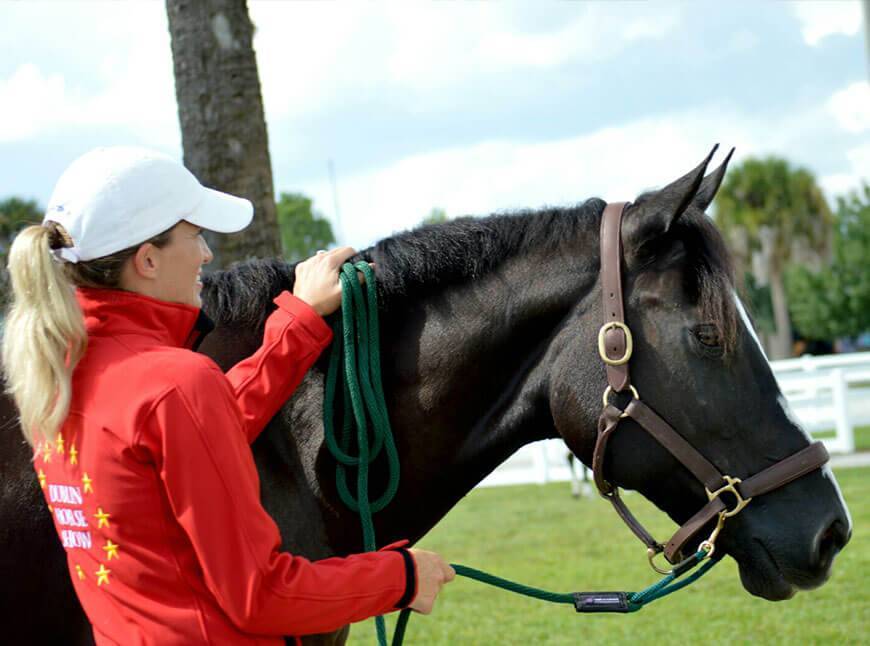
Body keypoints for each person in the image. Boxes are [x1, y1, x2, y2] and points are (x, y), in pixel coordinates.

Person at [2, 147, 454, 645]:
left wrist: (299, 322)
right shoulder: (174, 384)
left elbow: (198, 434)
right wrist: (400, 577)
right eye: (195, 236)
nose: (206, 255)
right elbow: (260, 594)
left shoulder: (56, 371)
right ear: (147, 259)